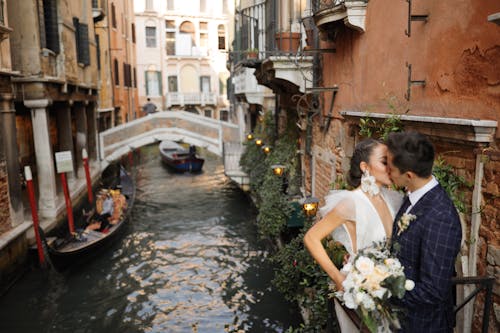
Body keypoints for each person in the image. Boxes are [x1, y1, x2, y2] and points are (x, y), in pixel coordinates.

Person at [304, 138, 403, 332]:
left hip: (390, 293)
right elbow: (311, 238)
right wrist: (337, 278)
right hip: (359, 295)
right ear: (365, 167)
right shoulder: (351, 203)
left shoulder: (393, 200)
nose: (391, 166)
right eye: (384, 161)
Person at [386, 131, 462, 333]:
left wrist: (382, 290)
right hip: (401, 321)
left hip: (423, 325)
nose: (387, 172)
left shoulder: (441, 217)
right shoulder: (413, 197)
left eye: (390, 168)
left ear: (408, 175)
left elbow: (432, 291)